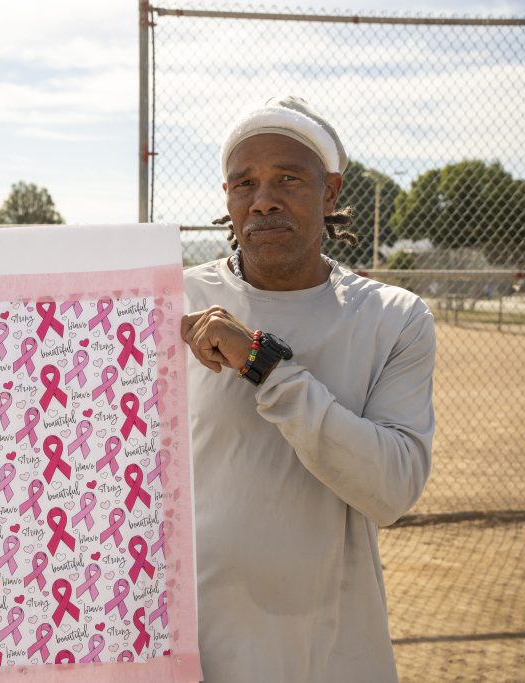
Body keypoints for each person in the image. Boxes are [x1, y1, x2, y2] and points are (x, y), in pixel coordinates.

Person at [180, 96, 435, 683]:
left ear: (331, 191)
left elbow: (391, 489)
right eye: (244, 183)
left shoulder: (393, 319)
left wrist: (265, 365)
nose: (263, 198)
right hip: (192, 642)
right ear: (227, 198)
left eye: (287, 178)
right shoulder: (171, 302)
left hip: (329, 645)